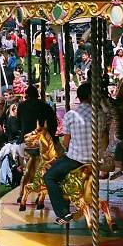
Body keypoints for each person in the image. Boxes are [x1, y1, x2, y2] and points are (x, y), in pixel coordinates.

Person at [43, 83, 92, 225]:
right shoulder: (99, 114)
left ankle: (63, 213)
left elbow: (65, 143)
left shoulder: (71, 115)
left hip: (77, 158)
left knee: (49, 176)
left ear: (79, 97)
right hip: (95, 158)